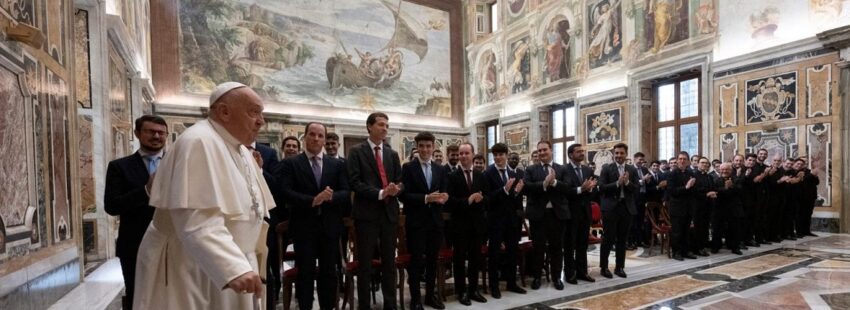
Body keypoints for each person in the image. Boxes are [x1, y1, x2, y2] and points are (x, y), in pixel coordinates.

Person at [134, 82, 276, 309]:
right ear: (224, 112)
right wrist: (233, 267)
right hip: (194, 265)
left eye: (261, 114)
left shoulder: (239, 148)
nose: (261, 121)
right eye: (253, 112)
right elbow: (196, 218)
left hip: (227, 260)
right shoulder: (198, 141)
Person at [279, 122, 350, 310]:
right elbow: (285, 192)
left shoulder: (337, 165)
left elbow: (345, 192)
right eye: (312, 134)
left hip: (330, 228)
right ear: (305, 137)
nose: (316, 138)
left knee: (329, 273)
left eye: (320, 135)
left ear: (325, 139)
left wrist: (330, 197)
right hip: (304, 227)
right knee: (305, 274)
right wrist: (313, 200)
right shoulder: (291, 163)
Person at [104, 115, 168, 309]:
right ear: (138, 133)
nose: (156, 136)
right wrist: (146, 191)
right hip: (135, 244)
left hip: (173, 244)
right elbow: (112, 206)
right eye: (151, 131)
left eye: (161, 132)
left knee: (170, 294)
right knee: (137, 295)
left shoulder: (178, 164)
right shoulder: (119, 167)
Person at [347, 112, 403, 310]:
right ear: (369, 127)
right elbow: (354, 182)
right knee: (365, 266)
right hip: (366, 216)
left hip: (389, 215)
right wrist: (380, 192)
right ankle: (364, 305)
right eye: (381, 124)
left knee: (389, 263)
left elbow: (399, 180)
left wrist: (396, 189)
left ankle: (390, 304)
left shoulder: (392, 154)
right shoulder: (356, 152)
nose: (385, 128)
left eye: (387, 125)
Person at [400, 132, 449, 310]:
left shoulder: (440, 169)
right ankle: (415, 299)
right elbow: (404, 196)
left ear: (433, 147)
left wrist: (444, 197)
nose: (425, 149)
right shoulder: (408, 168)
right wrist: (425, 198)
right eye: (422, 146)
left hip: (435, 222)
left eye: (428, 146)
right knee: (416, 262)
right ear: (417, 147)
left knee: (432, 261)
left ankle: (430, 295)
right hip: (416, 223)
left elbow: (443, 191)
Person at [522, 140, 570, 290]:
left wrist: (554, 182)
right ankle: (537, 277)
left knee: (557, 248)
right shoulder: (531, 169)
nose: (542, 153)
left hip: (557, 215)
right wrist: (544, 184)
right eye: (539, 151)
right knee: (538, 248)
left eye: (544, 150)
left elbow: (568, 188)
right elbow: (527, 187)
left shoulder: (562, 169)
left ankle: (557, 278)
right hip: (538, 215)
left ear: (551, 150)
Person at [483, 143, 527, 298]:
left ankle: (511, 283)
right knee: (494, 254)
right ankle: (494, 286)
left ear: (506, 155)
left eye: (501, 154)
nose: (497, 157)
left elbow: (513, 199)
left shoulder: (511, 172)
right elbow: (487, 199)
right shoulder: (488, 173)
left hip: (511, 220)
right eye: (495, 155)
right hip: (495, 220)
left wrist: (515, 192)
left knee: (512, 252)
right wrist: (504, 190)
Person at [447, 143, 489, 305]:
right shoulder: (452, 176)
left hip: (477, 225)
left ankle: (473, 289)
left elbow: (488, 197)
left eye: (466, 153)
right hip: (459, 225)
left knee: (475, 259)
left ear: (472, 154)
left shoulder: (480, 175)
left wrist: (482, 199)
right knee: (459, 260)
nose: (463, 156)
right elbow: (449, 201)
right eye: (461, 153)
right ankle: (461, 291)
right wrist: (468, 201)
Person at [597, 143, 638, 278]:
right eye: (617, 153)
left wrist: (626, 183)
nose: (619, 156)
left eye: (621, 153)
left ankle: (619, 267)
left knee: (622, 239)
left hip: (626, 208)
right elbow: (601, 187)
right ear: (614, 154)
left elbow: (636, 188)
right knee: (608, 239)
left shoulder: (632, 170)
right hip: (610, 208)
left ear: (626, 154)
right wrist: (617, 183)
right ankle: (604, 267)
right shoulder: (607, 168)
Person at [562, 144, 597, 285]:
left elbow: (593, 191)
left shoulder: (588, 169)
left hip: (585, 212)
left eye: (583, 151)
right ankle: (570, 273)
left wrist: (589, 190)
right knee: (570, 245)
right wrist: (580, 189)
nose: (582, 153)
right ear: (570, 154)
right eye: (579, 151)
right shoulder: (564, 169)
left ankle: (582, 272)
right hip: (570, 213)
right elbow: (564, 190)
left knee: (583, 245)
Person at [667, 152, 696, 261]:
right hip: (677, 208)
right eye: (680, 159)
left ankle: (686, 251)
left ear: (688, 161)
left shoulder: (690, 172)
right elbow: (671, 191)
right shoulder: (672, 174)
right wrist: (686, 187)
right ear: (677, 160)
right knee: (677, 232)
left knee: (686, 231)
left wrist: (691, 187)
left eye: (684, 159)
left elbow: (693, 190)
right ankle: (676, 252)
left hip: (688, 207)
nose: (682, 161)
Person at [711, 163, 744, 255]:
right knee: (717, 229)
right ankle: (715, 247)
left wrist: (732, 186)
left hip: (733, 209)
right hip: (719, 209)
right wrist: (725, 188)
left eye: (727, 169)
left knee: (735, 229)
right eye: (722, 169)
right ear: (719, 170)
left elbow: (740, 191)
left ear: (731, 170)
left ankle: (735, 247)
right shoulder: (716, 180)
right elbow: (715, 191)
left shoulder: (736, 179)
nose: (724, 171)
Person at [691, 157, 715, 257]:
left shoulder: (709, 176)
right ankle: (697, 248)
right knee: (698, 228)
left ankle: (703, 246)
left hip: (707, 206)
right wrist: (706, 194)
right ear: (698, 164)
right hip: (697, 206)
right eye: (702, 162)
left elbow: (712, 188)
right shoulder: (693, 175)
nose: (704, 164)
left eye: (706, 163)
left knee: (705, 228)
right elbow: (693, 191)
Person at [629, 152, 653, 249]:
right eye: (639, 160)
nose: (641, 162)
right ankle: (632, 241)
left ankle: (640, 240)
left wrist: (647, 180)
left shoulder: (644, 169)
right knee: (632, 221)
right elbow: (631, 183)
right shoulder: (630, 169)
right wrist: (642, 180)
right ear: (634, 159)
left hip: (643, 197)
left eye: (642, 160)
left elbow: (648, 182)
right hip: (634, 198)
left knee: (640, 221)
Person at [793, 158, 820, 238]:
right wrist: (811, 175)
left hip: (810, 197)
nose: (801, 165)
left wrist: (814, 176)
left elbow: (817, 182)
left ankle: (807, 231)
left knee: (808, 215)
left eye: (803, 163)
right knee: (799, 215)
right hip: (800, 197)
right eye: (799, 163)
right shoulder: (796, 171)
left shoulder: (808, 171)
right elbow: (802, 180)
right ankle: (799, 232)